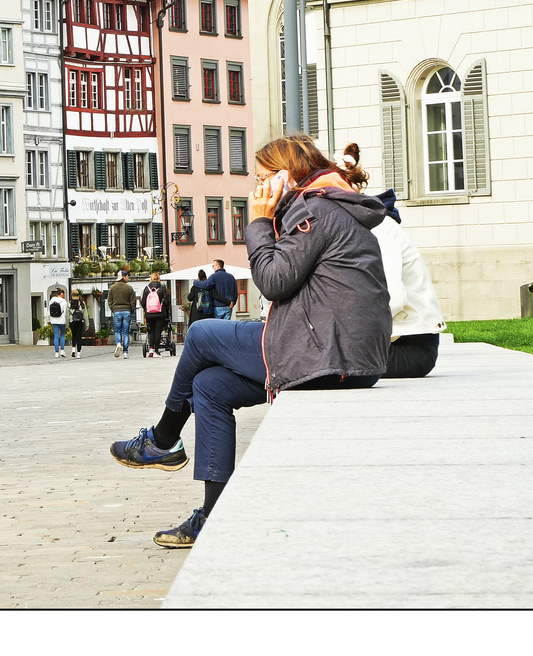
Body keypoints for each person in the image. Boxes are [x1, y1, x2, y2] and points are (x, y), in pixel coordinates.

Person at [109, 133, 392, 548]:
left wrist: (258, 221)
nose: (256, 188)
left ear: (286, 175)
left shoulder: (314, 210)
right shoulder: (324, 204)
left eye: (262, 178)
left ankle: (163, 439)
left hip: (329, 356)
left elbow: (275, 280)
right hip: (334, 352)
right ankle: (212, 517)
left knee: (202, 334)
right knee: (209, 387)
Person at [337, 143, 446, 378]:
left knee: (317, 363)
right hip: (395, 341)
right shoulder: (361, 224)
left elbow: (393, 299)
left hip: (410, 348)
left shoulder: (377, 227)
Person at [107, 269, 136, 358]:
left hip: (117, 311)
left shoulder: (112, 288)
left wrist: (113, 309)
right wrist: (131, 310)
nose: (128, 278)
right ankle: (125, 352)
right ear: (124, 277)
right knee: (126, 332)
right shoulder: (129, 288)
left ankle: (118, 343)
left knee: (117, 330)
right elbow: (133, 301)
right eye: (127, 276)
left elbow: (109, 301)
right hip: (127, 311)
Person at [141, 271, 170, 356]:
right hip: (160, 313)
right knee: (158, 331)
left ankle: (150, 349)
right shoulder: (162, 288)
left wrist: (146, 309)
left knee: (151, 331)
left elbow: (143, 303)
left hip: (149, 314)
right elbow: (167, 302)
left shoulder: (146, 289)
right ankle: (156, 351)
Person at [46, 290, 68, 358]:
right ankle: (62, 350)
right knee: (62, 335)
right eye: (63, 294)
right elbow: (65, 312)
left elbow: (48, 311)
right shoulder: (64, 302)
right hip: (62, 321)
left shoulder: (51, 301)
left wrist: (48, 320)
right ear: (61, 294)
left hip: (54, 320)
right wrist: (67, 321)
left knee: (56, 336)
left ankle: (56, 352)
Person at [68, 293, 88, 358]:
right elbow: (85, 314)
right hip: (80, 322)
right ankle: (78, 353)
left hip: (72, 321)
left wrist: (67, 324)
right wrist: (87, 324)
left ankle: (73, 350)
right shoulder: (82, 304)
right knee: (79, 337)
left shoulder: (69, 303)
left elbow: (67, 315)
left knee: (74, 336)